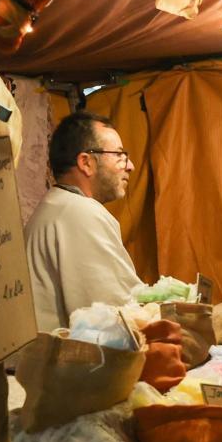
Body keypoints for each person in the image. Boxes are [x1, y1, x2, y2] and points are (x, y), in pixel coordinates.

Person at [24, 110, 142, 332]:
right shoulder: (79, 213)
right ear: (86, 162)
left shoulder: (59, 205)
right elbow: (116, 314)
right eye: (119, 154)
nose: (130, 165)